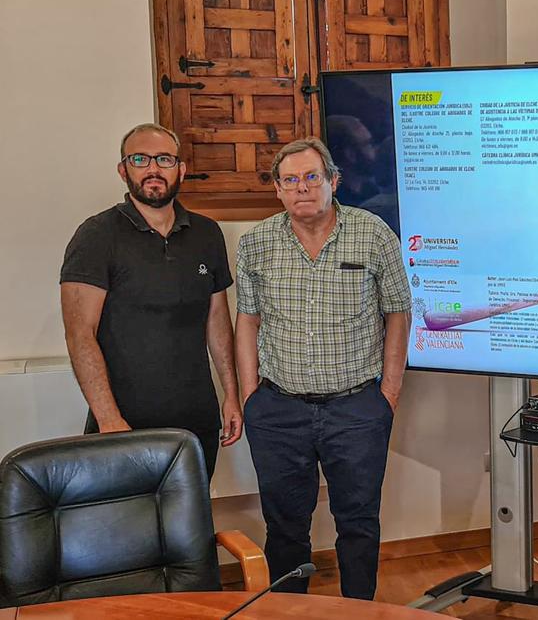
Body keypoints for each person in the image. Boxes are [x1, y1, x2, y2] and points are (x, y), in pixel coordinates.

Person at [235, 137, 412, 600]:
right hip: (277, 410)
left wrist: (388, 392)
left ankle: (359, 612)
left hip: (356, 410)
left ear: (333, 181)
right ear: (277, 190)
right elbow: (248, 319)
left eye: (312, 177)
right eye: (290, 180)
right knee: (285, 526)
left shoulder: (372, 234)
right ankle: (289, 613)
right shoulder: (255, 243)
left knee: (357, 523)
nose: (302, 188)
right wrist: (250, 394)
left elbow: (398, 312)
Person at [60, 122, 241, 481]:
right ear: (123, 169)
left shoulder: (207, 233)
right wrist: (109, 419)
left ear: (181, 169)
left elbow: (217, 319)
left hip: (196, 422)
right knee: (123, 531)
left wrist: (231, 394)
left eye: (164, 159)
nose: (153, 169)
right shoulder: (96, 235)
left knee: (189, 525)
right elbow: (80, 333)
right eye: (140, 159)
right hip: (123, 423)